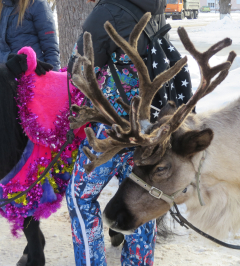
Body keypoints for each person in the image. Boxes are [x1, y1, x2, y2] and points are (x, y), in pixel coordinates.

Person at [66, 0, 168, 265]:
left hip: (111, 128)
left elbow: (79, 66)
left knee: (80, 197)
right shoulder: (155, 7)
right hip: (147, 127)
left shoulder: (107, 10)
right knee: (141, 199)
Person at [0, 0, 60, 70]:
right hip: (4, 74)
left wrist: (53, 78)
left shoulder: (38, 4)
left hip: (30, 75)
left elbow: (50, 47)